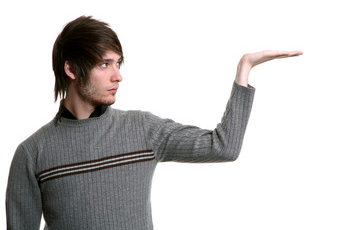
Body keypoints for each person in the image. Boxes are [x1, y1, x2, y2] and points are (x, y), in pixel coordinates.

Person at [6, 16, 302, 230]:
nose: (117, 75)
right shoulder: (33, 153)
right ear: (70, 68)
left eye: (118, 63)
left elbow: (223, 147)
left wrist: (244, 71)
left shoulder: (142, 130)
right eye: (104, 64)